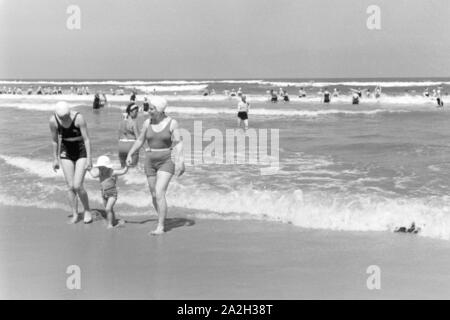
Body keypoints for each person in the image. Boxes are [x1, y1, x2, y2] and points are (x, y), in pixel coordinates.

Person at [49, 101, 93, 224]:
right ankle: (75, 213)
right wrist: (55, 159)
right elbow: (54, 141)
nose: (65, 119)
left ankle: (87, 210)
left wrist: (89, 159)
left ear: (70, 112)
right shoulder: (53, 121)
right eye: (61, 117)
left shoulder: (79, 118)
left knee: (77, 185)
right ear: (57, 115)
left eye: (66, 116)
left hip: (80, 150)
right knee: (70, 186)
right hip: (65, 151)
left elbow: (86, 139)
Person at [88, 156, 128, 228]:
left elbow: (123, 171)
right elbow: (93, 175)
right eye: (100, 167)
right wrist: (89, 169)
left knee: (108, 209)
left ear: (107, 167)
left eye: (103, 167)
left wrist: (127, 166)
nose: (102, 169)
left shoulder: (112, 172)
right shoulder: (100, 172)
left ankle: (110, 224)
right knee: (109, 209)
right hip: (104, 193)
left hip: (112, 193)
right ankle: (114, 221)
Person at [118, 103, 140, 167]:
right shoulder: (133, 123)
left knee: (123, 168)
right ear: (130, 112)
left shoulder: (121, 122)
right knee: (133, 168)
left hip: (121, 146)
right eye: (136, 112)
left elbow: (119, 136)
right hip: (131, 146)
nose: (137, 113)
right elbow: (138, 139)